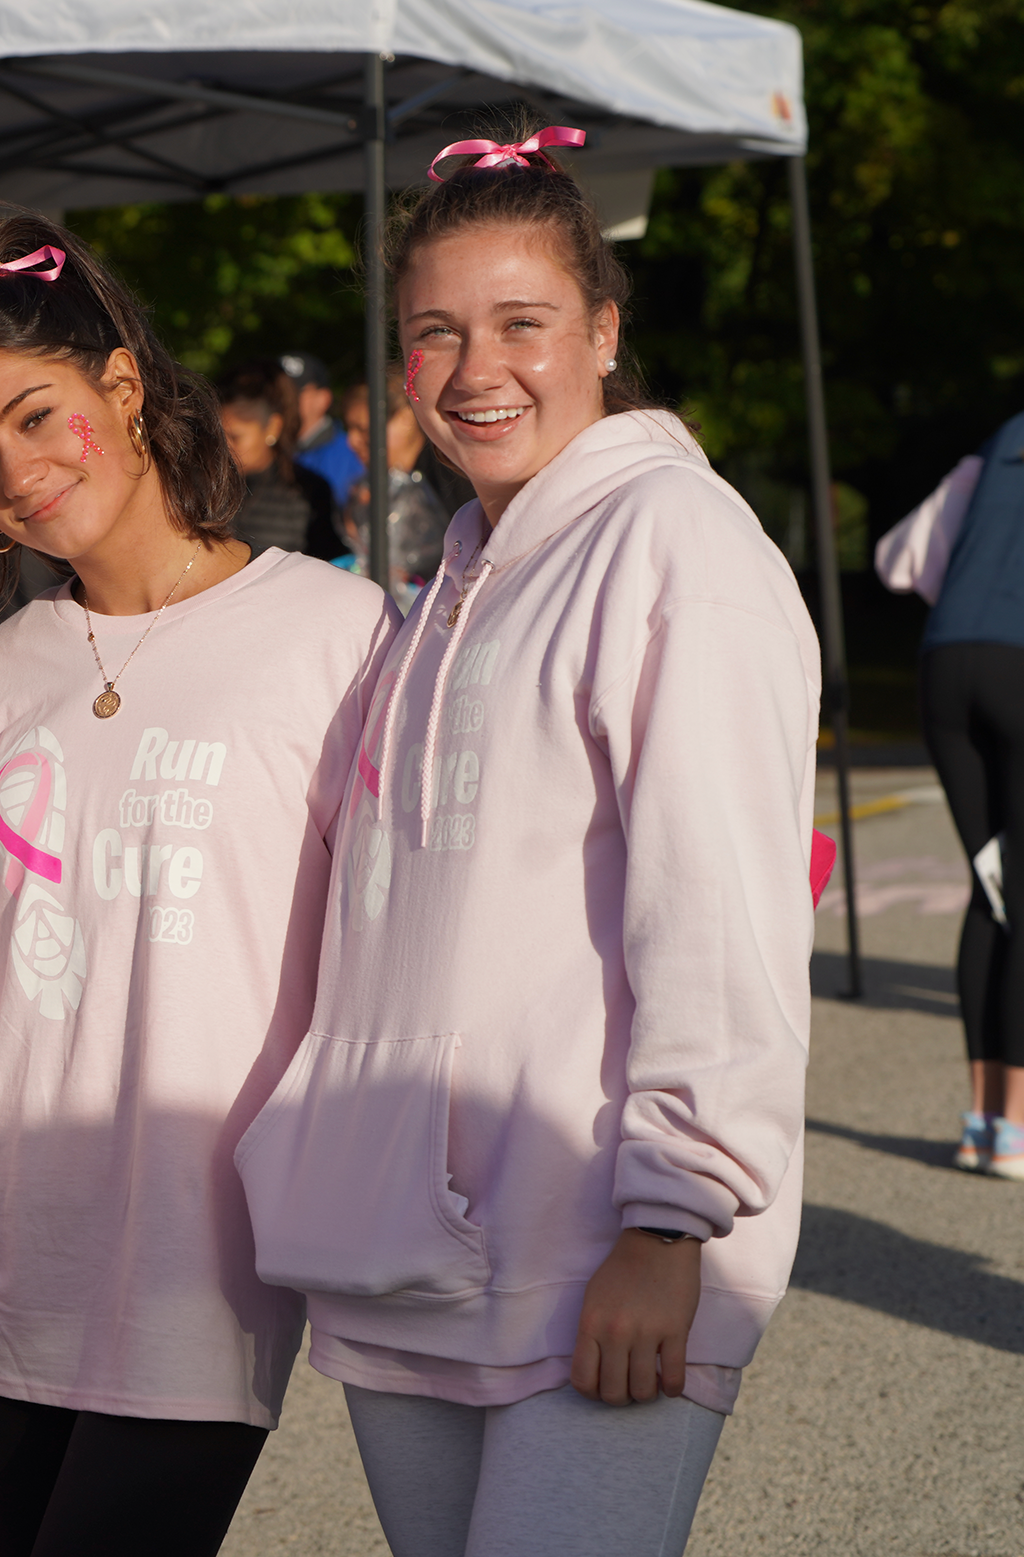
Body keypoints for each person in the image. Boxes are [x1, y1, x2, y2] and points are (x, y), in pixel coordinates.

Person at [237, 122, 820, 1557]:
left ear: (603, 331)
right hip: (409, 1251)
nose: (473, 369)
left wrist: (673, 1224)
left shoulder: (676, 542)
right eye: (433, 333)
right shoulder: (456, 570)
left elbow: (721, 911)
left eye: (520, 323)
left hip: (598, 1251)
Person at [0, 218, 396, 1556]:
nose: (13, 473)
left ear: (119, 385)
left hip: (198, 1255)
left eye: (34, 417)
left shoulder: (333, 633)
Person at [876, 419, 1024, 1175]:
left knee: (993, 885)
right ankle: (1018, 1127)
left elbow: (899, 556)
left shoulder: (995, 445)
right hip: (1018, 663)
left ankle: (980, 1123)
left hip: (946, 663)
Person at [338, 368, 452, 607]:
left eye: (364, 429)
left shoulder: (449, 473)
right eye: (349, 429)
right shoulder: (372, 485)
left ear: (405, 418)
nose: (351, 441)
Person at [222, 358, 344, 559]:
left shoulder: (307, 492)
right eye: (217, 436)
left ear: (273, 427)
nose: (224, 447)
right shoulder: (199, 485)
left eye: (235, 437)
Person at [284, 350, 365, 502]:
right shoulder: (269, 450)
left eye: (296, 391)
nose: (286, 399)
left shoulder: (352, 452)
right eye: (280, 392)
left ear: (324, 398)